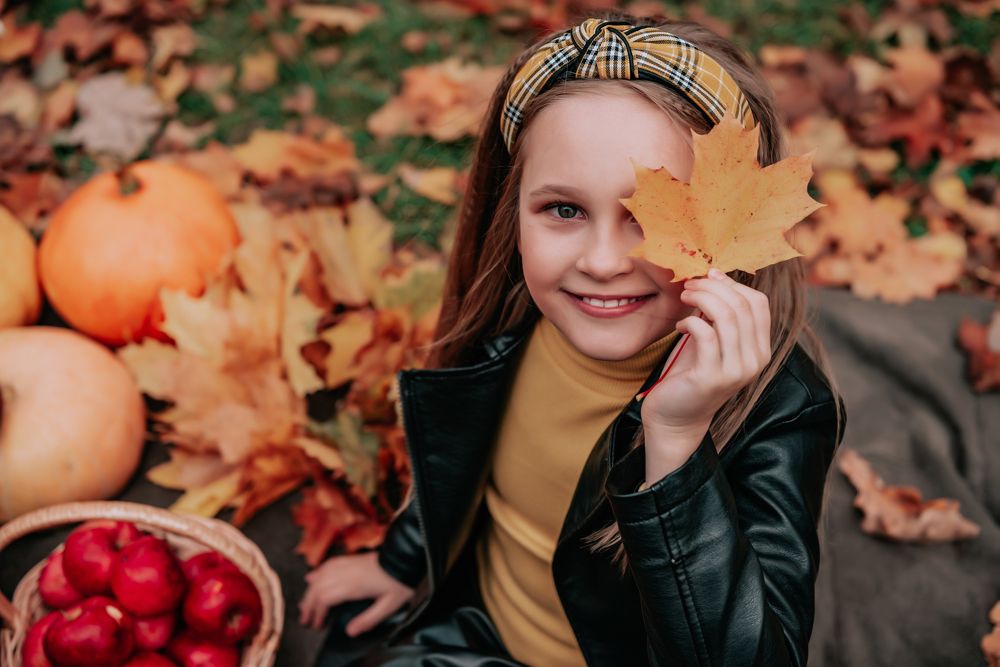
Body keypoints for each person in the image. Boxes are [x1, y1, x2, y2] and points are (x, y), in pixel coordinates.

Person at [304, 9, 847, 667]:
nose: (602, 260)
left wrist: (676, 445)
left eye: (651, 217)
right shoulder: (510, 316)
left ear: (731, 225)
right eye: (564, 210)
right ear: (514, 210)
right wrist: (400, 562)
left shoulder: (781, 406)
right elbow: (461, 470)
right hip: (474, 633)